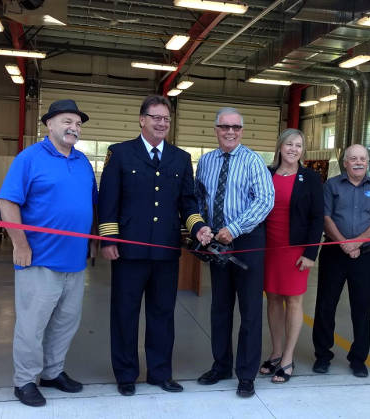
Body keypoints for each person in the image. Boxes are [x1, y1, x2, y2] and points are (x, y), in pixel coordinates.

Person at [98, 95, 212, 397]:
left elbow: (188, 202)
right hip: (129, 252)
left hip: (165, 251)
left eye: (166, 119)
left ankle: (160, 373)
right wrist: (108, 239)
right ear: (142, 119)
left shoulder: (180, 158)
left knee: (162, 314)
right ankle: (125, 374)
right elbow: (108, 200)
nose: (162, 123)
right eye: (156, 117)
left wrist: (198, 227)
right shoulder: (120, 153)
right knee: (125, 313)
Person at [0, 99, 97, 407]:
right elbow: (8, 202)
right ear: (49, 124)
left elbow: (89, 204)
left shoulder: (82, 162)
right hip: (39, 259)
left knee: (66, 321)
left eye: (78, 124)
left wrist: (92, 240)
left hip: (74, 261)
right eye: (67, 121)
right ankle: (24, 380)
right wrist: (21, 244)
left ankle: (53, 373)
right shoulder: (29, 158)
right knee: (32, 324)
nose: (74, 128)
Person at [195, 107, 274, 398]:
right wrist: (202, 228)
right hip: (217, 243)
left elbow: (265, 200)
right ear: (215, 129)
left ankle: (246, 374)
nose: (230, 132)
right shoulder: (205, 162)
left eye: (236, 127)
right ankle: (221, 366)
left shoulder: (254, 161)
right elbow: (199, 198)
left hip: (247, 241)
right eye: (225, 126)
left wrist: (235, 228)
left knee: (250, 311)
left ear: (242, 130)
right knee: (220, 308)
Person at [312, 144, 370, 378]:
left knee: (362, 308)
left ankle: (358, 359)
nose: (359, 162)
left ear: (367, 162)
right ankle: (323, 356)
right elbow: (325, 217)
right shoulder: (331, 185)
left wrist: (356, 243)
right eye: (353, 158)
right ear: (345, 162)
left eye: (363, 159)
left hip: (364, 258)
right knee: (326, 306)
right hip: (334, 254)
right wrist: (344, 244)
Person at [259, 128, 323, 383]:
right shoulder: (267, 173)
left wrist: (311, 253)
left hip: (296, 249)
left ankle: (287, 358)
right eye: (289, 144)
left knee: (293, 302)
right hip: (268, 248)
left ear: (302, 150)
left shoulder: (311, 177)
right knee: (273, 299)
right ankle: (275, 352)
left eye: (298, 145)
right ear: (280, 147)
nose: (293, 149)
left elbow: (318, 217)